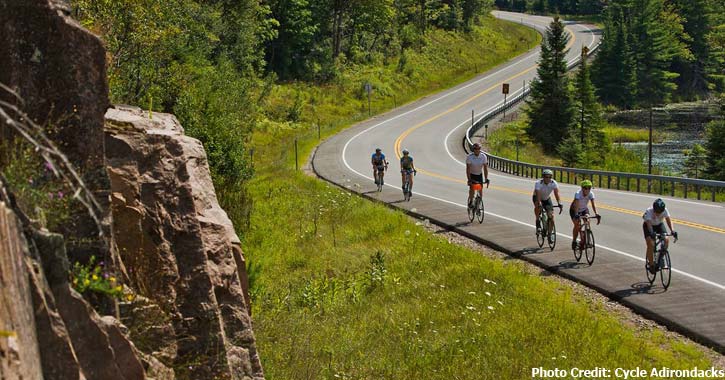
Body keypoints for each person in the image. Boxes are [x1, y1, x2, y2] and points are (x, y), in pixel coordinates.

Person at [643, 198, 677, 274]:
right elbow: (648, 223)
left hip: (659, 225)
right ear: (654, 209)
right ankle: (651, 265)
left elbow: (668, 220)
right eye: (657, 212)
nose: (658, 214)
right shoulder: (649, 211)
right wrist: (651, 232)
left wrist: (672, 230)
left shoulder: (664, 210)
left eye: (660, 212)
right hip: (649, 226)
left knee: (666, 240)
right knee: (651, 244)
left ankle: (660, 257)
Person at [569, 180, 599, 250]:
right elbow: (576, 205)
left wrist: (596, 213)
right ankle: (574, 241)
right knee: (577, 225)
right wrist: (576, 214)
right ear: (582, 188)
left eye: (589, 188)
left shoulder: (591, 194)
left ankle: (587, 240)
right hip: (574, 210)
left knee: (587, 221)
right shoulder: (578, 193)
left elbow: (593, 204)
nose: (587, 190)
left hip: (584, 209)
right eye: (585, 188)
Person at [533, 169, 562, 233]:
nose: (548, 178)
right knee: (538, 206)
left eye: (550, 177)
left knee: (551, 217)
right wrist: (539, 203)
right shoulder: (538, 183)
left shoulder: (553, 183)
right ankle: (537, 220)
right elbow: (538, 194)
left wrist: (559, 202)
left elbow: (557, 193)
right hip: (537, 197)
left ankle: (549, 233)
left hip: (546, 198)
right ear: (543, 177)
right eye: (546, 177)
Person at [466, 142, 489, 208]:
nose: (477, 150)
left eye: (479, 148)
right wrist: (469, 179)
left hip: (479, 175)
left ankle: (478, 204)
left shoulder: (483, 156)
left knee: (480, 190)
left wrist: (486, 178)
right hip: (472, 175)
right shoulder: (470, 157)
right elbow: (468, 169)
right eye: (476, 149)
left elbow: (485, 168)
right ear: (473, 149)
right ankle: (471, 201)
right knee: (472, 189)